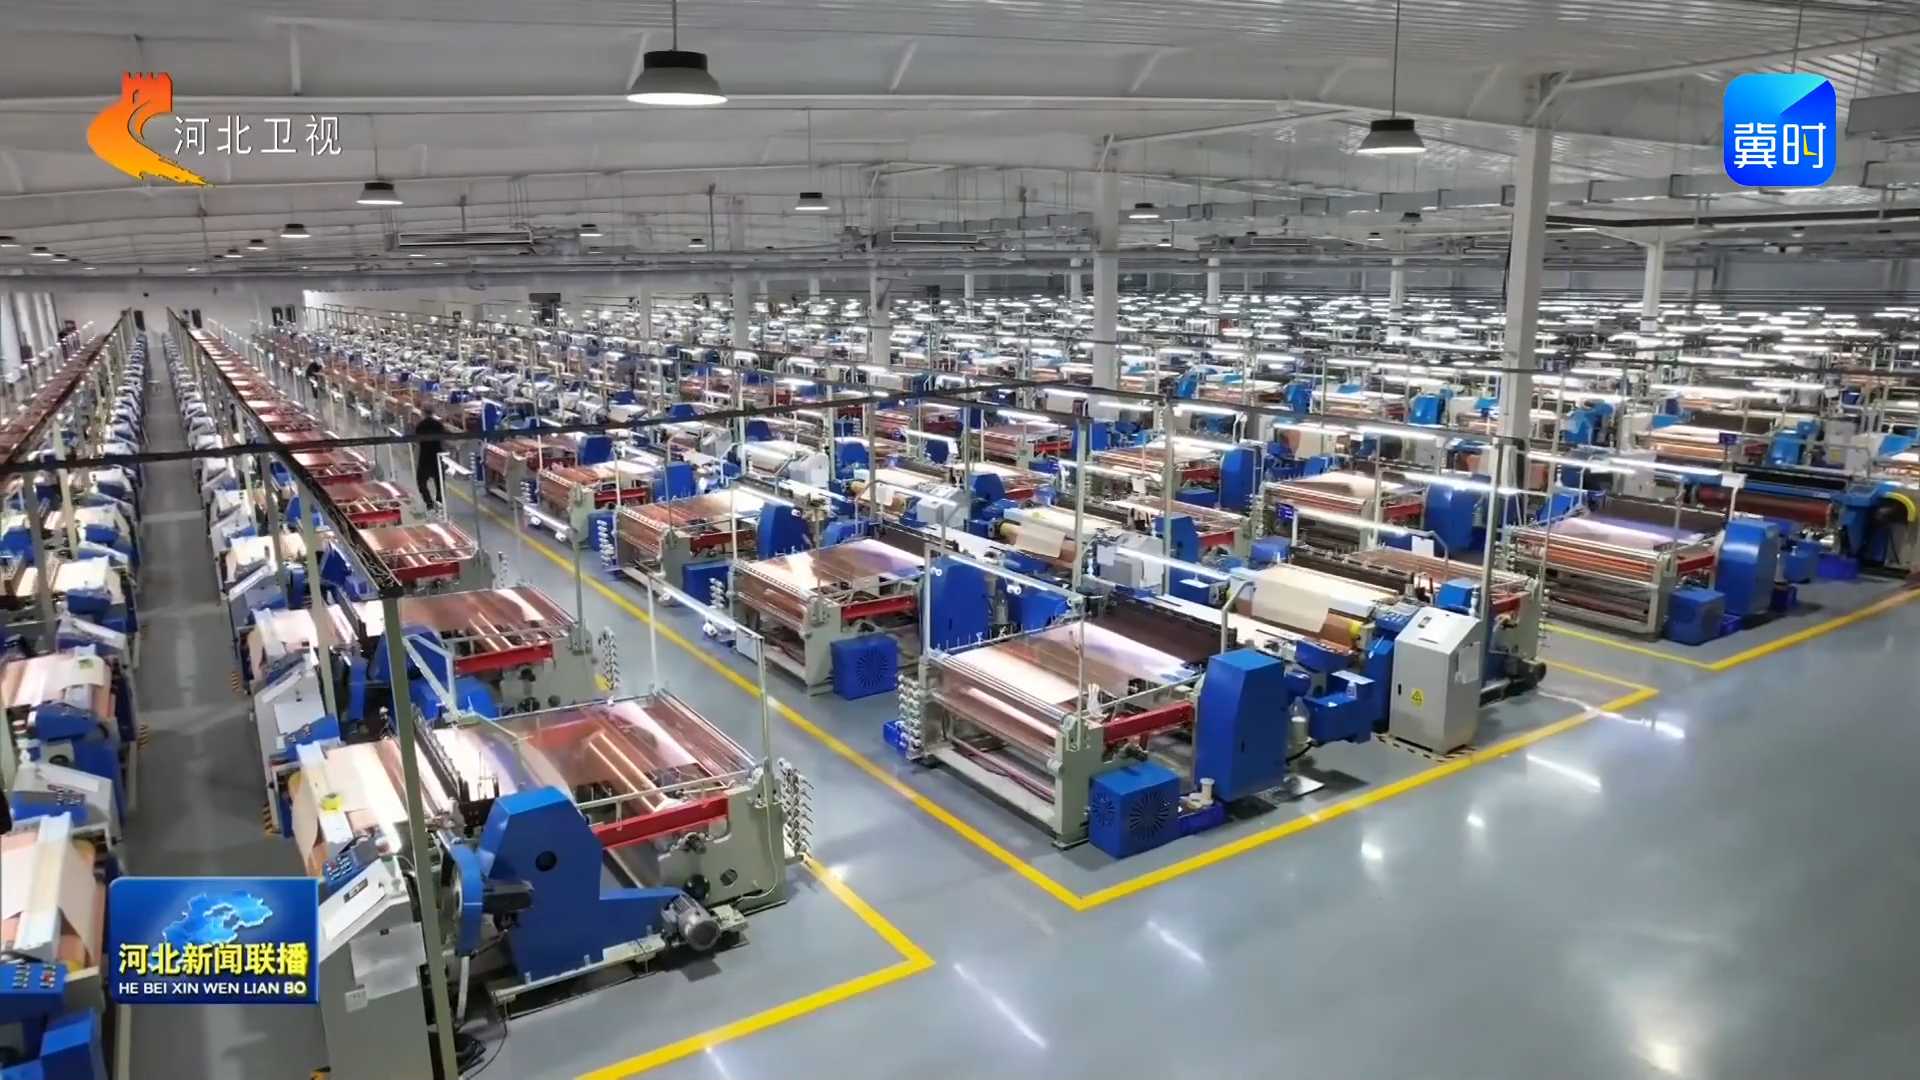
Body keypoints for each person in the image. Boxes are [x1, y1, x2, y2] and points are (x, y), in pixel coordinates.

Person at [414, 408, 450, 511]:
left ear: (423, 413)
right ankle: (439, 504)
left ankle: (429, 503)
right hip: (437, 457)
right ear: (433, 413)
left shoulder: (420, 425)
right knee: (440, 484)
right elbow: (444, 439)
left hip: (424, 458)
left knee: (421, 482)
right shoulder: (438, 424)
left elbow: (417, 441)